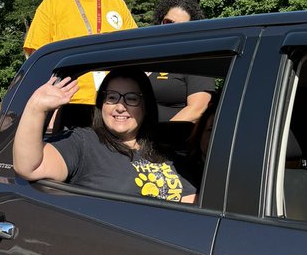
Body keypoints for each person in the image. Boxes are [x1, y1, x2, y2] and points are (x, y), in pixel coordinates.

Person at [13, 67, 196, 203]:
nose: (120, 106)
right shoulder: (84, 142)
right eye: (112, 97)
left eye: (131, 98)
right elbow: (30, 167)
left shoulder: (164, 150)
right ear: (102, 104)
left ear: (145, 106)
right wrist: (36, 107)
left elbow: (191, 203)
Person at [23, 0, 137, 106]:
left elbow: (135, 54)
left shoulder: (116, 4)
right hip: (68, 105)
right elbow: (35, 60)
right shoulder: (52, 2)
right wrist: (47, 108)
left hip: (115, 105)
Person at [150, 0, 214, 125]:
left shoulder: (196, 61)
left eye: (182, 26)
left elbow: (197, 109)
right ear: (160, 21)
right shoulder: (147, 56)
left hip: (168, 141)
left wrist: (156, 135)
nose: (173, 29)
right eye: (168, 22)